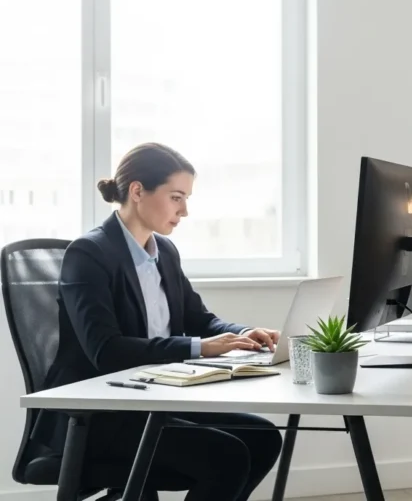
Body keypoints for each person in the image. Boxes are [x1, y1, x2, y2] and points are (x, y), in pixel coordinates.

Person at [36, 143, 284, 501]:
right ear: (137, 191)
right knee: (225, 456)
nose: (184, 210)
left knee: (262, 438)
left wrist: (243, 333)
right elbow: (107, 351)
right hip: (100, 415)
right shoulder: (88, 254)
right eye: (176, 197)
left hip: (153, 400)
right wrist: (199, 348)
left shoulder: (164, 251)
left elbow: (197, 318)